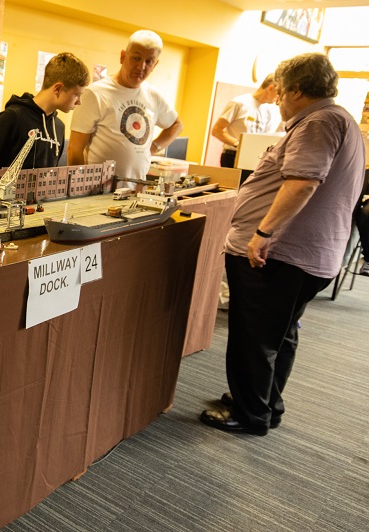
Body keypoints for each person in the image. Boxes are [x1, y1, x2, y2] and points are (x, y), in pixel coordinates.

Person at [200, 53, 365, 436]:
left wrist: (263, 233)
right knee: (280, 332)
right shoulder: (339, 119)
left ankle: (250, 414)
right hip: (306, 255)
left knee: (254, 336)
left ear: (296, 90)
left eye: (281, 92)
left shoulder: (318, 122)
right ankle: (264, 403)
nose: (277, 100)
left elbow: (302, 183)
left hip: (279, 254)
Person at [67, 30, 182, 188]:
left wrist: (153, 148)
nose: (141, 66)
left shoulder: (153, 96)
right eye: (136, 58)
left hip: (136, 191)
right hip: (97, 192)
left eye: (149, 61)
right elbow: (74, 149)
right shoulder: (95, 93)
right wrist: (79, 190)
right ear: (123, 57)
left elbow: (176, 125)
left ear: (155, 65)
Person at [0, 52, 90, 169]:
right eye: (77, 95)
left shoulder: (59, 127)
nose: (79, 102)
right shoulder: (12, 117)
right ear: (57, 89)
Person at [211, 74, 281, 168]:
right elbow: (216, 130)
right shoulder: (239, 103)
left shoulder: (268, 111)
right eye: (278, 93)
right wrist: (239, 144)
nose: (279, 97)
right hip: (232, 156)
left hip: (252, 158)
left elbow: (265, 139)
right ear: (270, 88)